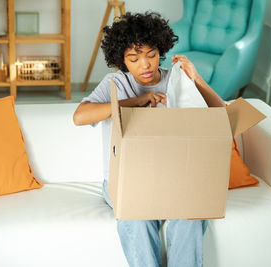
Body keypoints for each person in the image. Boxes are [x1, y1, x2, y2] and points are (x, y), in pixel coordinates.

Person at [73, 12, 225, 267]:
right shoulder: (116, 83)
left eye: (151, 55)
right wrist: (134, 102)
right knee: (135, 217)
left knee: (190, 216)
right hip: (125, 181)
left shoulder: (175, 80)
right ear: (121, 60)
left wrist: (195, 78)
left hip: (176, 179)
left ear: (160, 50)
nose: (145, 65)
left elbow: (221, 116)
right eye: (134, 58)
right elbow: (80, 117)